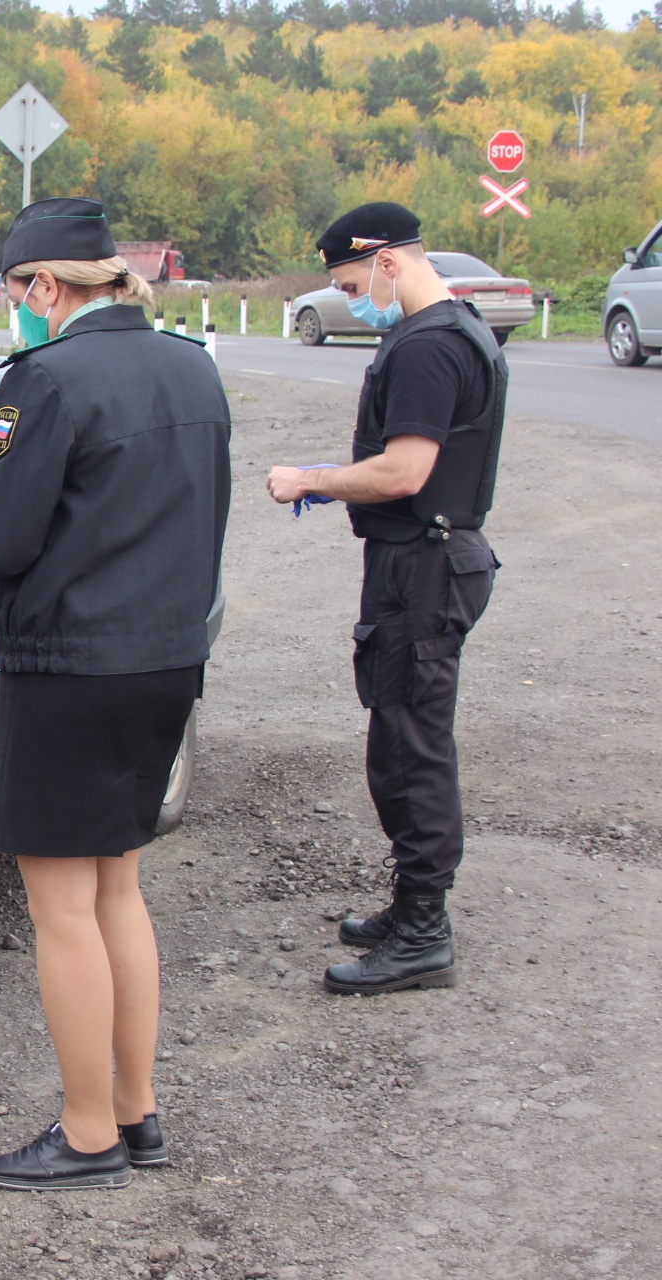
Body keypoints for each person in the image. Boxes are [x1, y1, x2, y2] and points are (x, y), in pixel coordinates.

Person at [0, 196, 231, 1192]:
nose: (11, 309)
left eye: (13, 292)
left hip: (70, 669)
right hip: (164, 661)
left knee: (63, 906)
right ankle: (138, 1110)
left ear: (46, 287)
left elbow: (1, 543)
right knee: (117, 890)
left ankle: (88, 1129)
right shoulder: (192, 365)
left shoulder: (43, 381)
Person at [265, 202, 504, 996]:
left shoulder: (430, 347)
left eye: (351, 282)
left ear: (389, 262)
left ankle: (424, 933)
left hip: (425, 566)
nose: (351, 298)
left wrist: (311, 479)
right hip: (430, 559)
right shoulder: (459, 328)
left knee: (412, 750)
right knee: (400, 740)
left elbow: (405, 472)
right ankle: (411, 907)